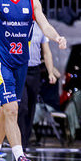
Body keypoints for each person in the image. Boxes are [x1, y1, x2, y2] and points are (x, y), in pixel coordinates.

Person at [0, 0, 67, 161]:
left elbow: (45, 25)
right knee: (12, 109)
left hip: (21, 64)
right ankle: (20, 158)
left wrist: (57, 37)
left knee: (7, 111)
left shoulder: (32, 1)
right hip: (0, 62)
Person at [17, 22, 58, 150]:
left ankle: (25, 142)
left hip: (34, 71)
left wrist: (50, 72)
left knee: (30, 108)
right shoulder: (17, 24)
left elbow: (46, 53)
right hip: (19, 68)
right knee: (21, 107)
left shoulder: (40, 28)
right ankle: (19, 145)